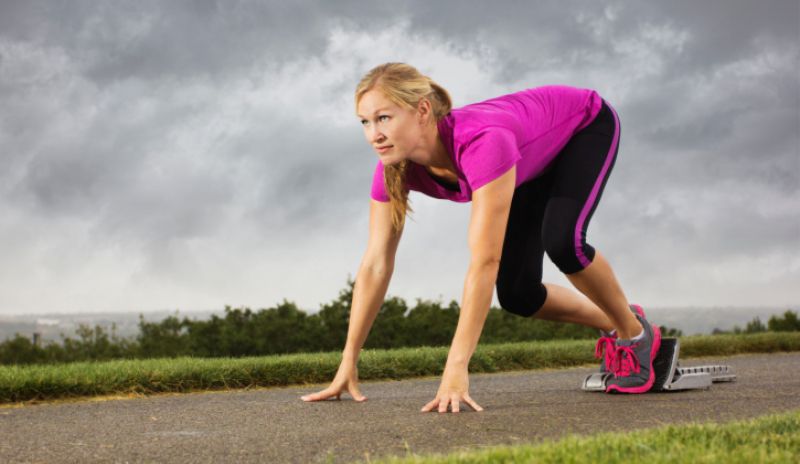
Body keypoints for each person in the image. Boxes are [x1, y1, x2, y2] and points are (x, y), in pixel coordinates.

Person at [300, 62, 661, 413]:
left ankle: (636, 337)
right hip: (526, 161)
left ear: (421, 111)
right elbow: (376, 264)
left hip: (581, 127)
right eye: (365, 122)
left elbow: (485, 260)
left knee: (564, 243)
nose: (373, 134)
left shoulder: (481, 142)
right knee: (519, 295)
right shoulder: (393, 168)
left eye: (384, 118)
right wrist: (348, 360)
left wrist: (457, 366)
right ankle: (614, 319)